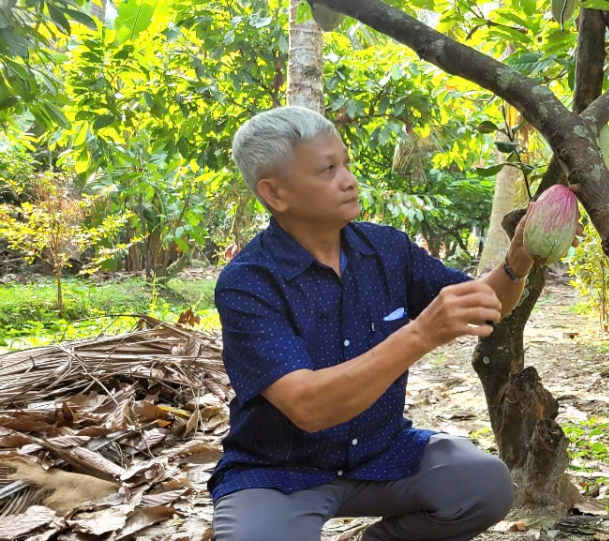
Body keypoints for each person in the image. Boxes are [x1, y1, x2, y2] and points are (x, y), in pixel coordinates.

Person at [209, 106, 577, 541]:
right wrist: (421, 334)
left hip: (381, 453)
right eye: (328, 170)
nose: (349, 179)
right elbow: (308, 407)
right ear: (275, 194)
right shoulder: (249, 282)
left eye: (345, 163)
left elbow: (483, 304)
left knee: (485, 486)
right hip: (280, 470)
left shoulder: (386, 249)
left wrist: (517, 262)